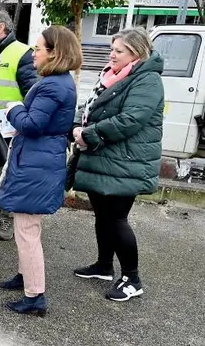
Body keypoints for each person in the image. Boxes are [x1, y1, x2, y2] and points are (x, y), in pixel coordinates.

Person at [0, 26, 81, 316]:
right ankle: (25, 277)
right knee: (26, 226)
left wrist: (13, 108)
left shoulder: (53, 85)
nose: (33, 54)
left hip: (37, 161)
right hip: (39, 159)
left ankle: (34, 296)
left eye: (39, 48)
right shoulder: (58, 81)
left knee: (27, 230)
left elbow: (31, 124)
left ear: (55, 53)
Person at [72, 27, 164, 302]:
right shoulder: (112, 76)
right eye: (112, 49)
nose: (111, 54)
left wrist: (88, 134)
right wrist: (78, 126)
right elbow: (90, 107)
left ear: (135, 53)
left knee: (116, 219)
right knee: (102, 216)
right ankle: (103, 265)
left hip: (126, 162)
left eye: (118, 51)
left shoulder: (146, 81)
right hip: (104, 157)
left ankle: (132, 278)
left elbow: (130, 120)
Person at [0, 10, 39, 241]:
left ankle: (7, 217)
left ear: (1, 27)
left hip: (12, 125)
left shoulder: (22, 53)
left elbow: (32, 91)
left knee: (9, 173)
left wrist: (25, 121)